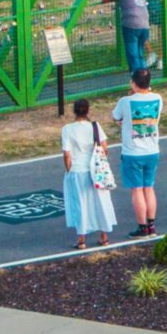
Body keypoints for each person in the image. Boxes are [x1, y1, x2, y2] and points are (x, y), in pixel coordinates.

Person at [111, 68, 164, 238]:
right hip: (152, 149)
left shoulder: (125, 101)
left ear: (133, 83)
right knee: (149, 188)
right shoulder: (158, 98)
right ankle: (151, 225)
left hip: (132, 152)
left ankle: (142, 227)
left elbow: (116, 117)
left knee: (137, 190)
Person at [60, 99, 116, 250]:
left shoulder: (67, 129)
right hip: (95, 170)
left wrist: (68, 169)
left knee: (80, 203)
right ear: (87, 111)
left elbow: (67, 154)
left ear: (74, 111)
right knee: (101, 201)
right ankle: (104, 237)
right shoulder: (95, 126)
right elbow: (105, 148)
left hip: (77, 170)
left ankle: (81, 240)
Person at [104, 0, 152, 75]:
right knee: (140, 54)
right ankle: (145, 80)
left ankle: (136, 80)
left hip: (130, 23)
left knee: (132, 55)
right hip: (144, 22)